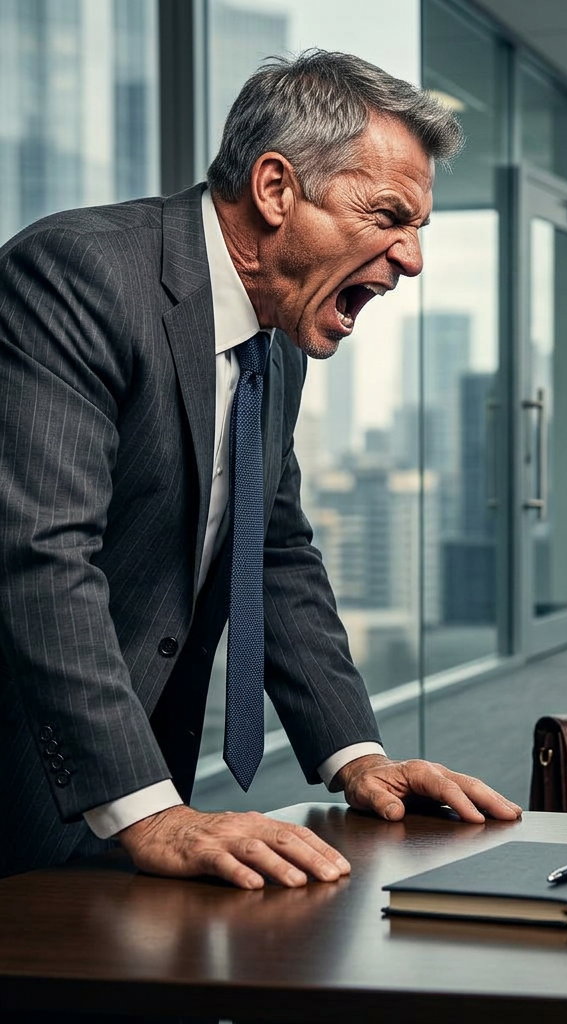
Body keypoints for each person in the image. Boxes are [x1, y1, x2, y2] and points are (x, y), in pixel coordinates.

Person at [0, 50, 520, 887]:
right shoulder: (81, 274)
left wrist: (356, 756)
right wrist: (149, 807)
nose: (412, 258)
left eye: (419, 227)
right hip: (39, 766)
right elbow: (39, 555)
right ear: (276, 189)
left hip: (136, 786)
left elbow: (272, 551)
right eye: (390, 214)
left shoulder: (277, 337)